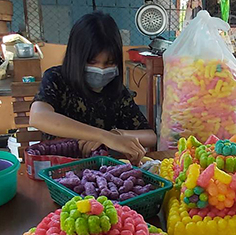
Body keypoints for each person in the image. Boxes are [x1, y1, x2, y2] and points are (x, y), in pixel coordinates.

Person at [29, 12, 156, 164]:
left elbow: (151, 137)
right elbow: (38, 116)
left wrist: (117, 134)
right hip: (56, 169)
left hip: (100, 174)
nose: (101, 69)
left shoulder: (116, 92)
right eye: (92, 62)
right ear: (76, 57)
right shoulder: (56, 78)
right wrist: (104, 137)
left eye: (109, 63)